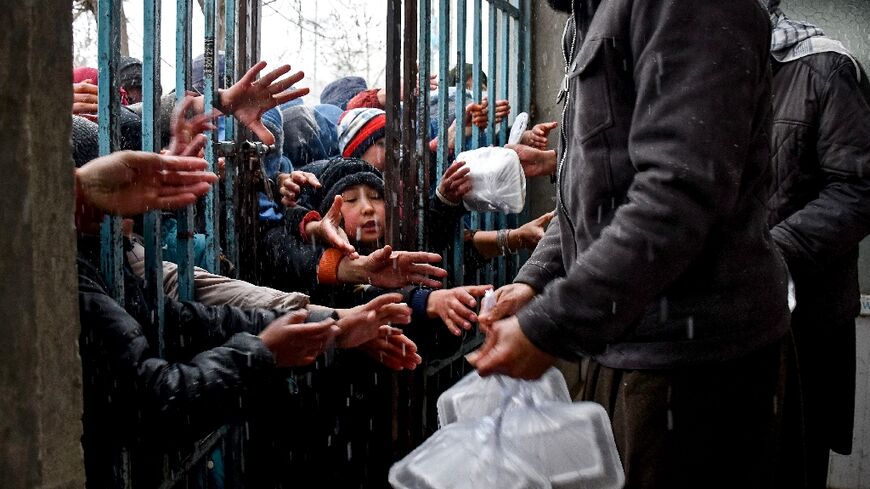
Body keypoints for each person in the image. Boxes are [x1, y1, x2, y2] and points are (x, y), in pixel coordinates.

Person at [468, 1, 790, 488]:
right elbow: (594, 190)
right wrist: (536, 282)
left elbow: (675, 194)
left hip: (692, 367)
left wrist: (553, 324)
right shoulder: (594, 16)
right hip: (631, 346)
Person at [764, 2, 870, 487]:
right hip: (719, 323)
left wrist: (769, 254)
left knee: (792, 468)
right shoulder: (702, 76)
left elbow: (859, 189)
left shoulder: (825, 66)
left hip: (803, 326)